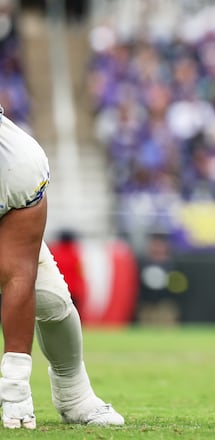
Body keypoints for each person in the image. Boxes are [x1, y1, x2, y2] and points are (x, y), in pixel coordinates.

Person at [0, 106, 125, 428]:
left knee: (51, 298)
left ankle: (75, 396)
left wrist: (15, 382)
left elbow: (17, 274)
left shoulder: (19, 162)